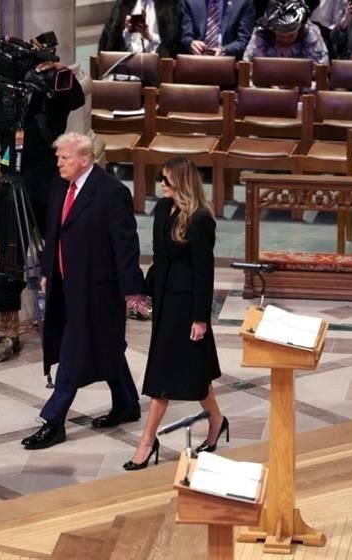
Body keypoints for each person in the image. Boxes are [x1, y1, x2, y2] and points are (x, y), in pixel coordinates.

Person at [0, 56, 85, 349]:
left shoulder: (50, 90)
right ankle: (8, 322)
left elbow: (76, 98)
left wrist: (62, 72)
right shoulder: (1, 97)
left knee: (60, 249)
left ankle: (71, 314)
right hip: (12, 181)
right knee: (10, 255)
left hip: (48, 182)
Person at [20, 132, 146, 451]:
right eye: (58, 157)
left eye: (64, 157)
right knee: (106, 345)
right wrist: (48, 272)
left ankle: (54, 420)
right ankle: (127, 403)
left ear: (84, 160)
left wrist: (132, 289)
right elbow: (53, 232)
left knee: (73, 352)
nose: (58, 162)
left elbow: (126, 244)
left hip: (98, 289)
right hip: (66, 284)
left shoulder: (111, 192)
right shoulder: (61, 184)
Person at [124, 158, 227, 471]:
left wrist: (200, 318)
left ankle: (146, 441)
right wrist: (144, 291)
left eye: (166, 180)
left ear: (181, 183)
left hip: (186, 305)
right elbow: (160, 259)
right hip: (166, 300)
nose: (161, 185)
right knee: (194, 372)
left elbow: (203, 273)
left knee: (162, 376)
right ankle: (218, 420)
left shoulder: (199, 220)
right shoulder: (160, 210)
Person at [244, 0, 331, 64]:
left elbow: (320, 69)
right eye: (281, 36)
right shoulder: (261, 33)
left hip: (303, 83)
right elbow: (249, 66)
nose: (285, 40)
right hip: (265, 84)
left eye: (291, 36)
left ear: (300, 27)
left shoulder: (311, 33)